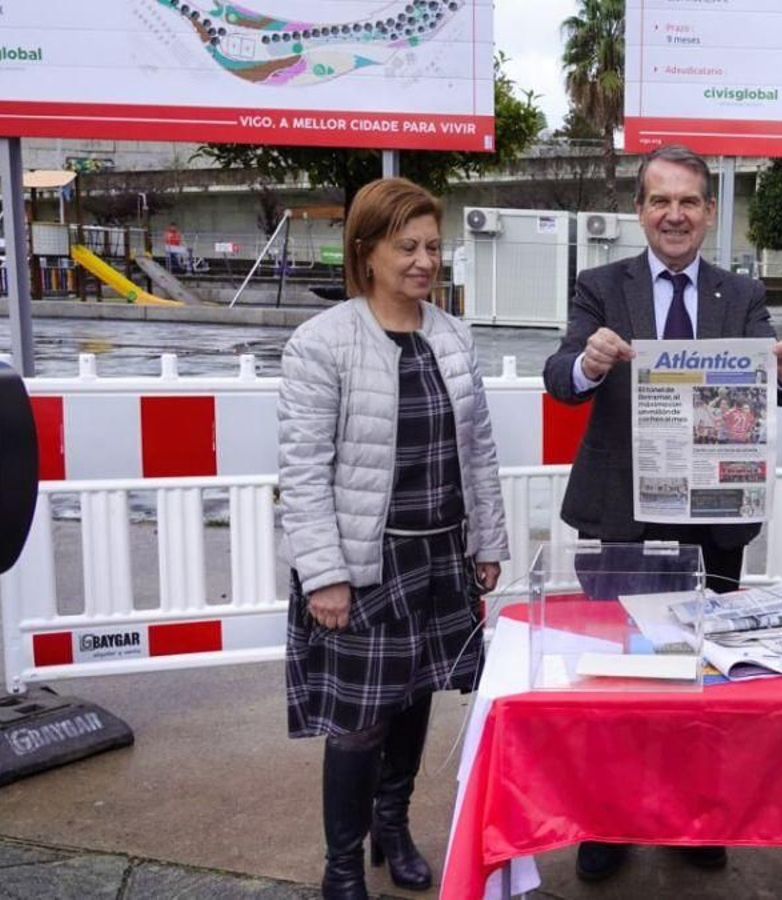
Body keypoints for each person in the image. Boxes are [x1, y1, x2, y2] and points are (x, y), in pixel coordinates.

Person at [542, 144, 782, 882]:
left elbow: (767, 386)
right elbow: (561, 378)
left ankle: (694, 814)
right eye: (659, 200)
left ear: (709, 211)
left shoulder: (742, 294)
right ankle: (610, 817)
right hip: (623, 512)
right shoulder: (600, 286)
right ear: (639, 211)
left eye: (688, 201)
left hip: (713, 517)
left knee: (703, 676)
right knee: (621, 678)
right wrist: (589, 363)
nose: (674, 214)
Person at [278, 177, 509, 900]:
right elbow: (304, 470)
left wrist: (488, 543)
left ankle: (395, 826)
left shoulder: (452, 336)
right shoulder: (323, 344)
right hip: (365, 563)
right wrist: (324, 576)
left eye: (433, 246)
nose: (423, 261)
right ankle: (341, 866)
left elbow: (478, 452)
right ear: (366, 252)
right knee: (357, 723)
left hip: (441, 554)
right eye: (406, 246)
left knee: (416, 700)